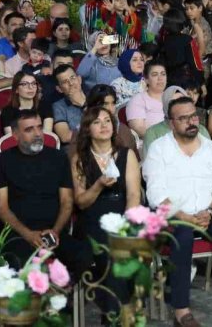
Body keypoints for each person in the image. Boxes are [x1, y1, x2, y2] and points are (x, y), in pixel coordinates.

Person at [143, 96, 212, 327]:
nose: (191, 122)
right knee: (182, 237)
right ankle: (181, 311)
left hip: (207, 214)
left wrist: (211, 212)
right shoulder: (158, 149)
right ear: (171, 123)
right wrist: (183, 216)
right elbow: (155, 194)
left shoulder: (211, 148)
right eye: (183, 118)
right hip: (175, 217)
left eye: (193, 116)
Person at [0, 109, 93, 277]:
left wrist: (55, 232)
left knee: (84, 254)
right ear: (15, 135)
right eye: (29, 129)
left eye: (39, 127)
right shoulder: (1, 162)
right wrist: (29, 235)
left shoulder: (59, 158)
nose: (37, 133)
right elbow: (2, 208)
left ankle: (65, 301)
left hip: (54, 233)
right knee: (20, 262)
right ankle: (36, 302)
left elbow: (67, 202)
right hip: (19, 236)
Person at [70, 104, 141, 315]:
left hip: (123, 214)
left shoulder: (127, 155)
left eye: (107, 121)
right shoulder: (79, 159)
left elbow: (134, 195)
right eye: (97, 122)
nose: (103, 126)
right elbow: (81, 202)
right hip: (93, 219)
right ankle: (118, 314)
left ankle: (116, 314)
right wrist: (99, 184)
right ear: (87, 129)